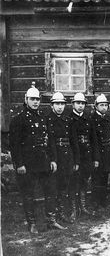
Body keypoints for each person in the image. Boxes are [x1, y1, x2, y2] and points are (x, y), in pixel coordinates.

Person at [9, 84, 65, 233]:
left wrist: (53, 160)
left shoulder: (43, 118)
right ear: (26, 99)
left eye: (37, 99)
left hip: (44, 162)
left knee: (50, 192)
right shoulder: (18, 120)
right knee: (29, 195)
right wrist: (19, 164)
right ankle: (32, 223)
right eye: (32, 99)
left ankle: (51, 221)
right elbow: (14, 145)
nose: (35, 102)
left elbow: (50, 141)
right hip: (28, 165)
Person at [47, 92, 80, 223]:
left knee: (65, 185)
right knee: (55, 185)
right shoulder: (48, 120)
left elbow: (74, 141)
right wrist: (52, 160)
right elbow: (49, 142)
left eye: (62, 104)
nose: (60, 107)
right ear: (52, 105)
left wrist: (76, 160)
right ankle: (55, 215)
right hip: (56, 157)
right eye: (57, 104)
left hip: (68, 156)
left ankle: (64, 212)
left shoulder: (68, 120)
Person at [70, 92, 100, 216]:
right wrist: (74, 160)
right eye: (78, 103)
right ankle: (73, 209)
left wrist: (95, 158)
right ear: (73, 104)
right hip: (75, 157)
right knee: (73, 182)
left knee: (84, 181)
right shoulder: (69, 119)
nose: (80, 106)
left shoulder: (88, 119)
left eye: (82, 103)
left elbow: (94, 140)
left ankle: (83, 207)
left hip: (87, 156)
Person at [91, 94, 110, 210]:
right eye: (101, 105)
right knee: (97, 177)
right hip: (97, 152)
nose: (103, 107)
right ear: (96, 106)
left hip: (107, 152)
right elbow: (93, 140)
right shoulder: (92, 119)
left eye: (105, 105)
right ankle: (96, 201)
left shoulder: (108, 119)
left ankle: (103, 200)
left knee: (105, 176)